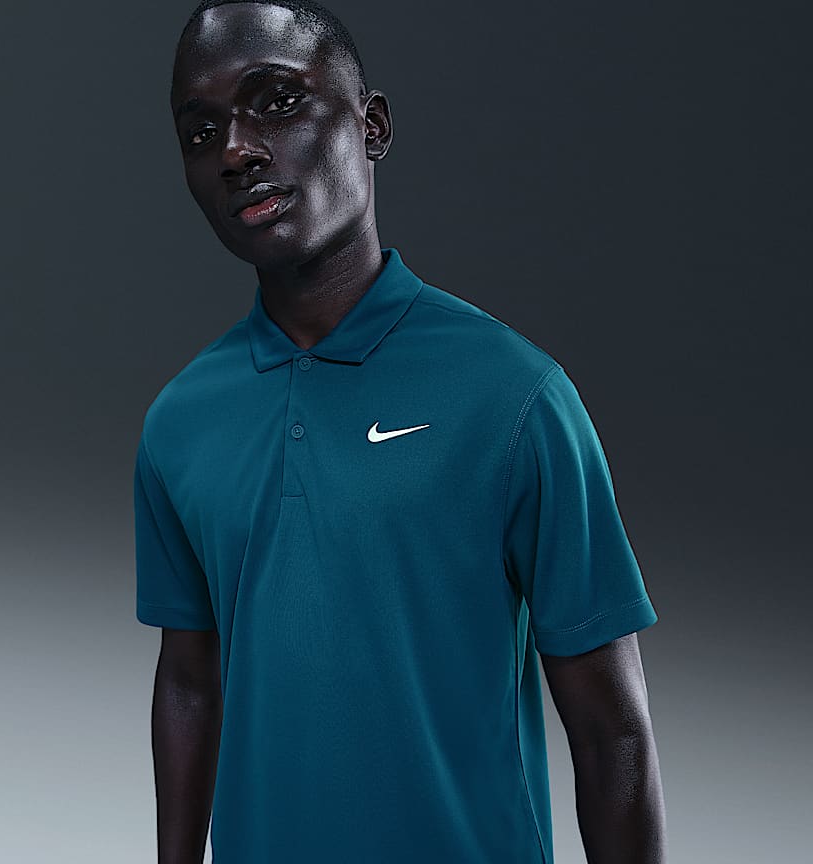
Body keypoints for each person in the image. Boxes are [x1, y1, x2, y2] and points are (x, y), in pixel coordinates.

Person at [133, 1, 667, 862]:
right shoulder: (179, 423)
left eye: (276, 102)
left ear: (372, 125)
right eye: (202, 132)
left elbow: (613, 736)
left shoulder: (516, 397)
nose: (235, 150)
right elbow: (191, 684)